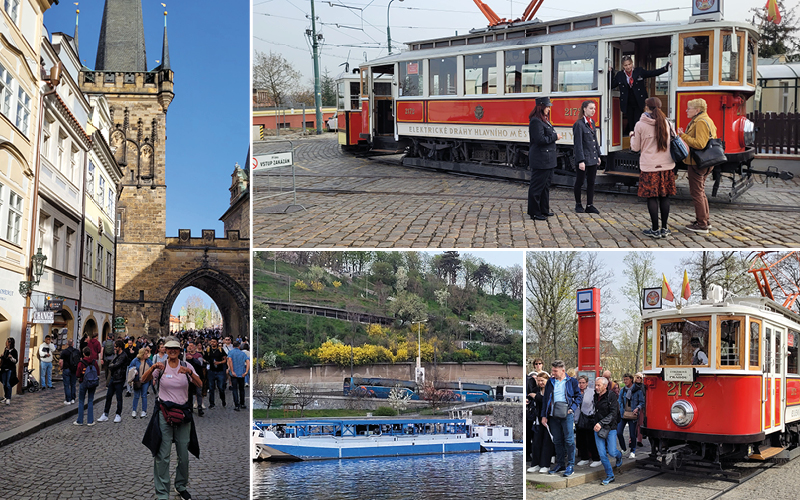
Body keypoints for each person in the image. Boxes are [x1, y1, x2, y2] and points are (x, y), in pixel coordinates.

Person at [141, 337, 202, 500]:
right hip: (164, 413)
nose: (172, 351)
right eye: (169, 348)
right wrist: (153, 367)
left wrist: (189, 373)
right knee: (163, 454)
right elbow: (143, 380)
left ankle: (181, 486)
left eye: (175, 348)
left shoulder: (186, 366)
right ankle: (162, 493)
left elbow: (200, 384)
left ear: (179, 350)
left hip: (182, 414)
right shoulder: (161, 367)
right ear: (165, 350)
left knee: (183, 455)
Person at [630, 96, 677, 239]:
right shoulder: (667, 123)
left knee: (652, 197)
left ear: (646, 108)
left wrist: (632, 135)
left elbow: (635, 147)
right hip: (667, 166)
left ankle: (655, 229)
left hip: (650, 167)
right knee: (665, 197)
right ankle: (664, 228)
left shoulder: (640, 125)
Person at [678, 98, 718, 234]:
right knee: (701, 192)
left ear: (697, 110)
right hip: (705, 162)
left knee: (696, 193)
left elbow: (700, 144)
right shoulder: (706, 119)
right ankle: (705, 220)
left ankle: (702, 224)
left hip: (697, 163)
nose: (686, 110)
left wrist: (683, 136)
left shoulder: (700, 122)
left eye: (689, 108)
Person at [611, 55, 671, 134]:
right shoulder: (620, 75)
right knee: (631, 122)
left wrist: (665, 68)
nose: (628, 67)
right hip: (627, 103)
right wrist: (610, 72)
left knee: (637, 122)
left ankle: (637, 140)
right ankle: (633, 141)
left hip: (638, 102)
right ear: (623, 66)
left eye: (629, 64)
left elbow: (652, 73)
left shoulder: (639, 71)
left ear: (632, 63)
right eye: (625, 65)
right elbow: (611, 85)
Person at [542, 359, 581, 477]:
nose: (552, 373)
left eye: (555, 371)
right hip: (553, 414)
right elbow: (545, 400)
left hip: (566, 414)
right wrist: (544, 415)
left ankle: (570, 465)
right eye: (552, 370)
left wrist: (572, 409)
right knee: (557, 440)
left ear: (562, 370)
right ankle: (560, 464)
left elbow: (578, 396)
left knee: (569, 440)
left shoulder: (572, 381)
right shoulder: (550, 382)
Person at [528, 96, 562, 221]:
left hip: (548, 159)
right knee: (537, 186)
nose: (549, 109)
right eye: (547, 107)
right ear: (541, 107)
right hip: (541, 159)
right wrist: (555, 137)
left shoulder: (544, 120)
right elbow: (540, 140)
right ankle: (534, 212)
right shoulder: (536, 121)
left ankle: (544, 209)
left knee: (546, 186)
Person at [573, 100, 602, 214]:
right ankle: (578, 204)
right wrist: (581, 160)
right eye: (591, 108)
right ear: (584, 109)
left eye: (594, 108)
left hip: (592, 157)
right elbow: (578, 144)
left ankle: (590, 205)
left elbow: (595, 140)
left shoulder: (592, 122)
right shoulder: (579, 124)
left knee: (591, 182)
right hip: (584, 159)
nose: (593, 110)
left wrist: (598, 155)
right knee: (579, 182)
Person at [593, 376, 623, 485]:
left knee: (612, 451)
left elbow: (613, 413)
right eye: (595, 385)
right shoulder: (595, 395)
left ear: (605, 386)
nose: (596, 387)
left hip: (610, 427)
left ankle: (619, 455)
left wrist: (601, 423)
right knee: (602, 454)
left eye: (598, 385)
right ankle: (610, 475)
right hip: (597, 427)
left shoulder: (611, 396)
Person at [529, 371, 555, 474]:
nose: (540, 383)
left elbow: (546, 401)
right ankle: (535, 463)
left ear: (547, 380)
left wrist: (536, 397)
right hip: (537, 419)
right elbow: (530, 397)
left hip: (549, 419)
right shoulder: (536, 390)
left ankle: (545, 464)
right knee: (536, 442)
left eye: (542, 381)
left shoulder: (551, 390)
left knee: (546, 442)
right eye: (538, 381)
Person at [98, 340, 129, 423]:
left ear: (120, 347)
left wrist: (111, 366)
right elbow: (111, 364)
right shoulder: (116, 355)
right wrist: (111, 366)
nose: (114, 348)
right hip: (113, 377)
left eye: (116, 346)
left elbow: (115, 365)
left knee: (119, 397)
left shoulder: (123, 356)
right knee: (108, 396)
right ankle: (105, 414)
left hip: (119, 379)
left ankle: (118, 414)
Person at [575, 375, 602, 468]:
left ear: (587, 383)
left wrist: (593, 414)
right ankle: (584, 458)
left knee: (590, 439)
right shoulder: (576, 392)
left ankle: (596, 458)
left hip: (589, 418)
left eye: (583, 383)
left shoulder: (592, 392)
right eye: (580, 383)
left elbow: (595, 404)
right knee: (580, 440)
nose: (581, 385)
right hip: (578, 418)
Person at [617, 373, 645, 458]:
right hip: (623, 414)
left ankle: (633, 451)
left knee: (632, 434)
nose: (625, 381)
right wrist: (621, 408)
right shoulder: (623, 390)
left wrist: (637, 408)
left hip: (633, 414)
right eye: (624, 379)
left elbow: (642, 402)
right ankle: (624, 449)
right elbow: (619, 401)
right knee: (618, 432)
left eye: (627, 379)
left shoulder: (638, 390)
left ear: (631, 380)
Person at [75, 347, 100, 426]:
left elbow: (78, 374)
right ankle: (90, 421)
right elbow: (98, 372)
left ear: (83, 354)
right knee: (90, 401)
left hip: (84, 382)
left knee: (81, 401)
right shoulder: (94, 362)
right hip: (92, 382)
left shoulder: (81, 363)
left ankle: (80, 420)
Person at [130, 346, 153, 418]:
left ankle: (144, 411)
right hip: (137, 380)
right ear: (142, 354)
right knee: (136, 396)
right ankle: (134, 410)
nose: (147, 355)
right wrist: (134, 371)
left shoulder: (148, 361)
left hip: (145, 381)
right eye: (146, 354)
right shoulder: (135, 360)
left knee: (144, 395)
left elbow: (152, 368)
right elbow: (130, 367)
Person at [184, 341, 205, 416]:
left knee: (198, 392)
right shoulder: (185, 355)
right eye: (189, 346)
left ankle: (199, 407)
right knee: (189, 393)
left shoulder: (199, 355)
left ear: (195, 347)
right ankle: (190, 407)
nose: (190, 347)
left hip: (197, 376)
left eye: (192, 346)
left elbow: (200, 363)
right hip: (188, 377)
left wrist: (192, 358)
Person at [226, 340, 249, 411]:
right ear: (239, 346)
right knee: (242, 389)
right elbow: (248, 362)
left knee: (235, 389)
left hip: (234, 374)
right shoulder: (242, 354)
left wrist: (232, 371)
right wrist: (246, 372)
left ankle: (237, 405)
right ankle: (242, 403)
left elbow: (230, 361)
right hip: (241, 374)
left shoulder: (231, 352)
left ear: (233, 346)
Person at [205, 338, 227, 409]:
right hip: (211, 371)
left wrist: (219, 362)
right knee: (211, 388)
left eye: (214, 342)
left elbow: (225, 360)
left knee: (220, 387)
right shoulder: (208, 350)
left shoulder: (220, 350)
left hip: (220, 371)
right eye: (211, 342)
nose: (212, 343)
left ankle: (223, 399)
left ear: (217, 343)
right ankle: (212, 404)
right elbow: (204, 358)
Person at [60, 339, 81, 405]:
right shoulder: (77, 351)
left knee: (66, 385)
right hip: (74, 369)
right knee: (73, 384)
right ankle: (73, 399)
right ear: (73, 344)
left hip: (66, 369)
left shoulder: (64, 352)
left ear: (67, 344)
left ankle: (68, 400)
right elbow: (80, 360)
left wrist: (61, 368)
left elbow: (61, 361)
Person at [1, 337, 18, 405]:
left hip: (10, 369)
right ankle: (5, 397)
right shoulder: (6, 350)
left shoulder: (14, 351)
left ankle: (8, 398)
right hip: (4, 369)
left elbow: (15, 361)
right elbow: (4, 358)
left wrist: (11, 357)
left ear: (10, 343)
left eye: (7, 342)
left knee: (8, 384)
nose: (6, 343)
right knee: (4, 383)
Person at [635, 372, 646, 448]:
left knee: (640, 423)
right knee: (633, 424)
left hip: (641, 407)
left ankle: (639, 440)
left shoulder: (643, 386)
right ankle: (631, 440)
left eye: (640, 378)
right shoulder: (632, 386)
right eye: (637, 377)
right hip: (633, 406)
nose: (638, 379)